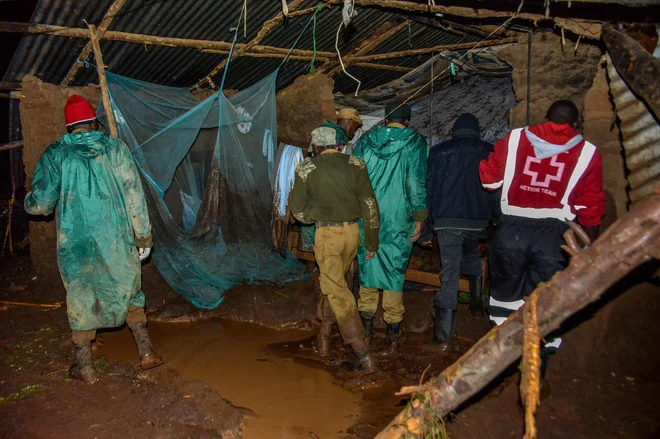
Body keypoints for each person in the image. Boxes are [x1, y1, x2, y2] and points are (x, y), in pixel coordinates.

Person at [24, 95, 163, 384]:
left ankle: (86, 367)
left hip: (77, 245)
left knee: (81, 296)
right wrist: (143, 236)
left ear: (69, 126)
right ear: (92, 121)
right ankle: (147, 353)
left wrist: (29, 200)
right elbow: (134, 195)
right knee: (129, 289)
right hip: (117, 239)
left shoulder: (56, 154)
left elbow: (40, 206)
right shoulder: (115, 148)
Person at [479, 100, 604, 381]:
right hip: (555, 236)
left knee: (504, 299)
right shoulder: (587, 153)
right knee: (545, 302)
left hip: (511, 231)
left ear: (545, 118)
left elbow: (488, 180)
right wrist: (586, 248)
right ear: (575, 124)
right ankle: (537, 373)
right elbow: (592, 206)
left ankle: (500, 371)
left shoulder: (513, 139)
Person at [290, 126, 380, 373]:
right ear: (339, 145)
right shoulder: (356, 164)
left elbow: (297, 211)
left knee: (338, 290)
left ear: (316, 147)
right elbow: (370, 206)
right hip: (352, 233)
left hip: (327, 235)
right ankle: (324, 337)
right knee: (335, 283)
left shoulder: (307, 168)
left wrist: (312, 216)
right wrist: (371, 242)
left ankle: (362, 353)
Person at [353, 101, 428, 350]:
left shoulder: (365, 141)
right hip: (399, 216)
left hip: (368, 214)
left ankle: (365, 331)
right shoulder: (414, 143)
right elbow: (415, 182)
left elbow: (355, 179)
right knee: (395, 270)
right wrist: (419, 217)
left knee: (368, 264)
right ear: (407, 120)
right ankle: (393, 335)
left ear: (385, 119)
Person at [421, 113, 497, 349]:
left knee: (450, 272)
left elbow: (429, 191)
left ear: (454, 130)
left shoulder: (439, 152)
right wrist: (495, 219)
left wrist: (426, 228)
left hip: (447, 221)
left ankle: (442, 337)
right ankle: (476, 306)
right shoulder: (489, 151)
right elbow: (495, 188)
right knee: (473, 254)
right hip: (477, 219)